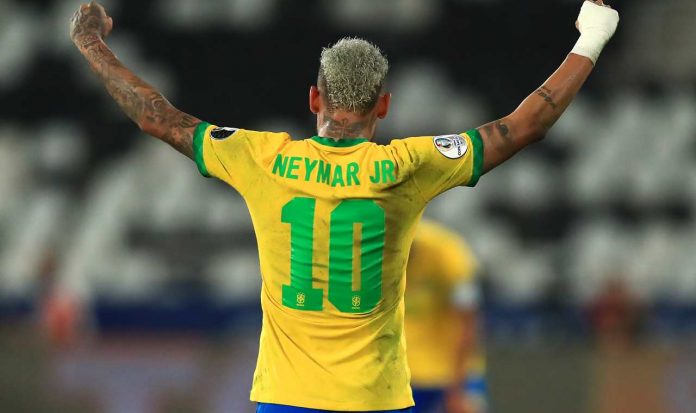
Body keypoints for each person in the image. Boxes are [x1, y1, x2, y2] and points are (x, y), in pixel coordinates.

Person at [69, 1, 619, 411]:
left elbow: (158, 117)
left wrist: (91, 43)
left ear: (314, 98)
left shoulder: (260, 158)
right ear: (384, 105)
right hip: (375, 399)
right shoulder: (409, 166)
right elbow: (524, 126)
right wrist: (592, 37)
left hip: (287, 398)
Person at [405, 219, 485, 413]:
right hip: (402, 376)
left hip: (450, 374)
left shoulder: (450, 253)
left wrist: (457, 390)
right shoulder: (370, 253)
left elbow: (468, 323)